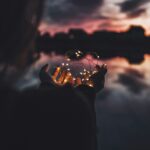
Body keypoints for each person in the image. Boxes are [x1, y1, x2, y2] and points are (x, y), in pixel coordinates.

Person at [0, 0, 107, 150]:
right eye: (29, 18)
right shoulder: (66, 107)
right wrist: (87, 91)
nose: (33, 29)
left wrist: (48, 86)